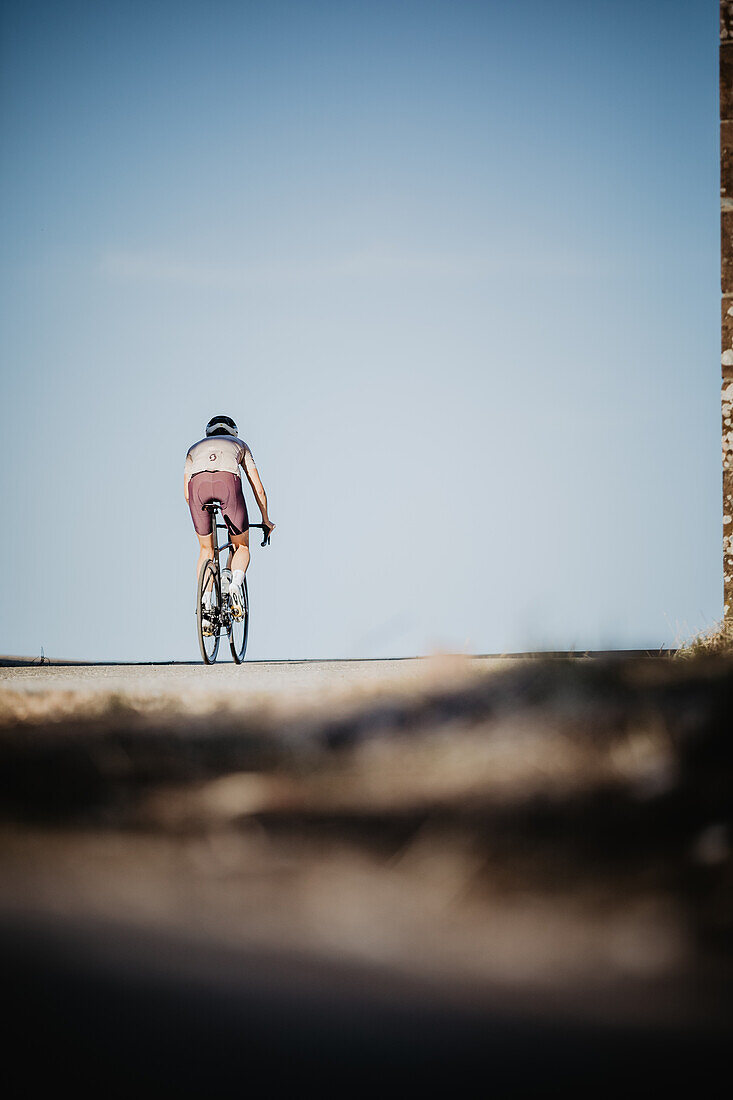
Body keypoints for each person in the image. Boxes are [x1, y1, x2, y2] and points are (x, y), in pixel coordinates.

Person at [184, 415, 275, 624]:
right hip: (228, 484)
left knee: (206, 550)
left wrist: (202, 515)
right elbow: (257, 488)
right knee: (241, 546)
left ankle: (205, 601)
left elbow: (187, 495)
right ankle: (234, 584)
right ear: (234, 432)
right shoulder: (240, 444)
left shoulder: (193, 449)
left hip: (198, 489)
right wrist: (266, 519)